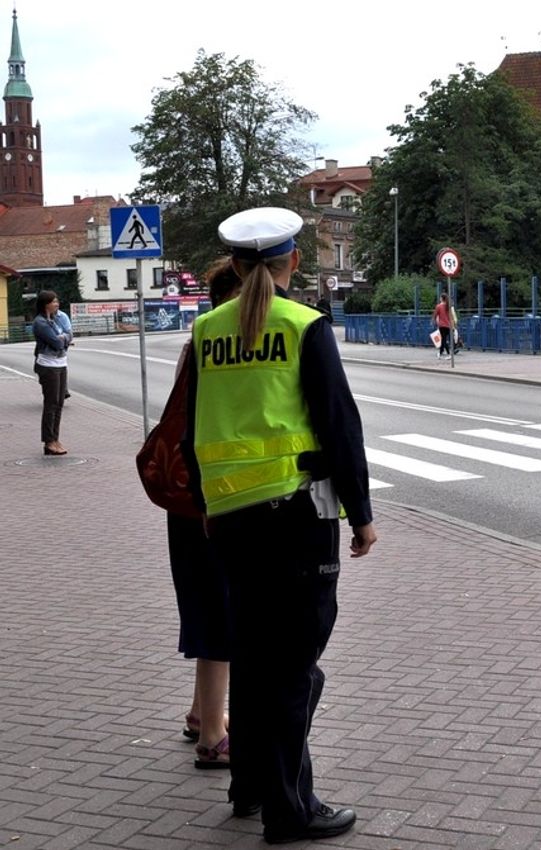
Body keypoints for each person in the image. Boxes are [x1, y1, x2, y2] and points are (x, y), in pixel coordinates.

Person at [183, 207, 377, 844]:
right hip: (296, 517)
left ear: (234, 267)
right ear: (293, 262)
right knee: (295, 668)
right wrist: (362, 515)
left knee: (258, 656)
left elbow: (193, 431)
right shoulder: (304, 325)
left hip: (233, 521)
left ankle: (251, 786)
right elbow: (339, 425)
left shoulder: (206, 330)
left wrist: (210, 506)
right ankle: (290, 809)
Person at [162, 258, 243, 770]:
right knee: (220, 612)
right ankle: (213, 737)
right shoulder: (226, 352)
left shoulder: (195, 348)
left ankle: (200, 712)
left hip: (189, 495)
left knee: (204, 602)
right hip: (217, 498)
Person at [32, 290, 71, 455]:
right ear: (46, 304)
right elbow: (57, 343)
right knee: (51, 404)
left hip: (61, 363)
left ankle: (55, 438)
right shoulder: (40, 322)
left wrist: (64, 338)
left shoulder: (56, 319)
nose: (57, 304)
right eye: (54, 301)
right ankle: (48, 441)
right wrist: (63, 338)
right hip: (48, 365)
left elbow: (69, 335)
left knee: (59, 403)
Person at [432, 292, 453, 359]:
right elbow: (450, 316)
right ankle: (440, 353)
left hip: (442, 325)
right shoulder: (448, 306)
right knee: (444, 339)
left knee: (443, 340)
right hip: (448, 325)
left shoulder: (439, 306)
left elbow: (435, 315)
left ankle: (448, 354)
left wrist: (433, 321)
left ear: (441, 298)